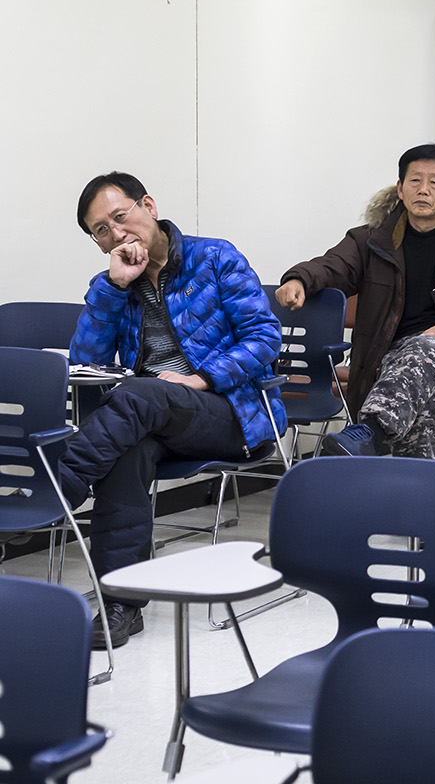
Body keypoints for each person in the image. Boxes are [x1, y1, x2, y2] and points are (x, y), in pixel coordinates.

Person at [63, 173, 286, 649]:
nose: (116, 234)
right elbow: (85, 361)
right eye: (101, 230)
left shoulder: (215, 258)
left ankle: (60, 487)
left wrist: (201, 378)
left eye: (120, 217)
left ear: (148, 206)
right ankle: (120, 602)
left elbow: (265, 337)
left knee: (142, 394)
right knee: (128, 451)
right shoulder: (114, 283)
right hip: (153, 417)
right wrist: (114, 287)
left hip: (229, 412)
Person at [278, 144, 435, 458]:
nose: (423, 190)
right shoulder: (370, 240)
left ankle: (370, 432)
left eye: (434, 182)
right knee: (420, 390)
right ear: (400, 189)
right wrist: (299, 278)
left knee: (425, 348)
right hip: (394, 367)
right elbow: (333, 265)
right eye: (415, 180)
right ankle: (417, 483)